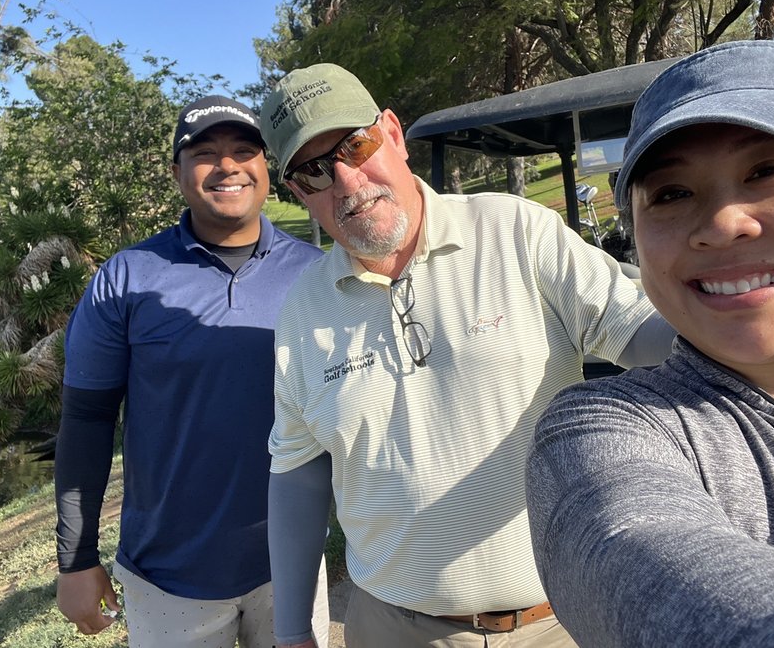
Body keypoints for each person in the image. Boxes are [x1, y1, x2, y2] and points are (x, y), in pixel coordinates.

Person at [258, 63, 679, 647]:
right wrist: (290, 633)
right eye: (315, 171)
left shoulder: (518, 232)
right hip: (392, 628)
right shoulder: (303, 310)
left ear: (394, 133)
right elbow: (298, 474)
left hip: (562, 622)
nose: (348, 182)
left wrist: (763, 327)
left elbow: (645, 336)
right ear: (298, 193)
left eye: (357, 145)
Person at [526, 39, 774, 646]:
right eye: (671, 195)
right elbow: (637, 557)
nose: (723, 224)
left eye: (769, 170)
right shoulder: (607, 430)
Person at [54, 95, 329, 648]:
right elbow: (87, 422)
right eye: (205, 153)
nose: (227, 165)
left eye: (243, 151)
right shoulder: (125, 279)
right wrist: (76, 559)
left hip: (294, 563)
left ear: (264, 168)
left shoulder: (319, 273)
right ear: (177, 172)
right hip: (167, 577)